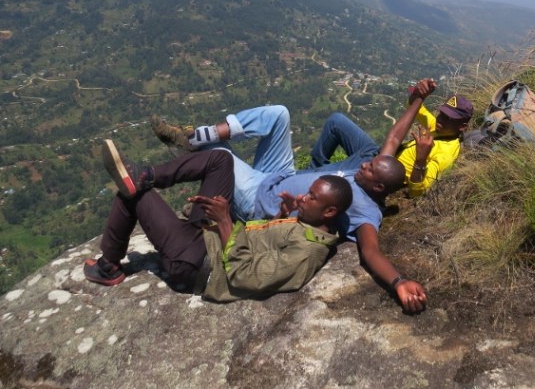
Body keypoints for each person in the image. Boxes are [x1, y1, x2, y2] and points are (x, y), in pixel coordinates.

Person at [151, 85, 439, 313]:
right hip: (278, 173)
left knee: (219, 155)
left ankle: (171, 160)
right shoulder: (377, 173)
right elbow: (393, 137)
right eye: (369, 163)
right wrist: (418, 99)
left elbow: (371, 252)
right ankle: (196, 137)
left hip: (257, 198)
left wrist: (399, 282)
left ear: (378, 187)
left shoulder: (365, 212)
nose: (364, 164)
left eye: (369, 168)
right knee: (279, 114)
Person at [83, 139, 352, 302]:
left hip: (197, 262)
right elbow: (267, 243)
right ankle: (147, 174)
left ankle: (109, 267)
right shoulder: (308, 226)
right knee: (220, 159)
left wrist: (224, 221)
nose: (303, 198)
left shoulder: (308, 252)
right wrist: (284, 215)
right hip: (208, 237)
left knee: (131, 196)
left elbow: (247, 277)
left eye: (312, 198)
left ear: (329, 213)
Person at [306, 79, 474, 197]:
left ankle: (309, 178)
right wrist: (418, 92)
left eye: (449, 118)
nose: (441, 119)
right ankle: (315, 167)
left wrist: (421, 160)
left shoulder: (446, 153)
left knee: (312, 176)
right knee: (336, 121)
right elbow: (415, 107)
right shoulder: (438, 126)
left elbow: (417, 191)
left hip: (378, 171)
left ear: (462, 127)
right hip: (377, 153)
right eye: (442, 114)